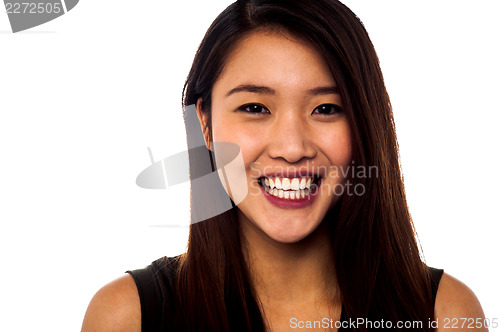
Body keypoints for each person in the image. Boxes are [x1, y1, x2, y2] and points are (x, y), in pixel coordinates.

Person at [81, 0, 487, 331]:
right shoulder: (126, 317)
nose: (292, 149)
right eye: (255, 107)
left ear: (364, 121)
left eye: (326, 108)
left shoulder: (446, 315)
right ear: (205, 123)